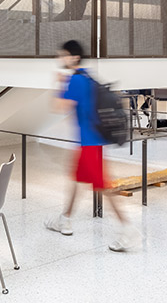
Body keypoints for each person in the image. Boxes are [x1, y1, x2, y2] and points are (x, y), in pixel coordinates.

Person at [45, 40, 139, 252]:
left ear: (73, 57)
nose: (60, 59)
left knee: (104, 186)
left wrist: (59, 83)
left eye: (63, 55)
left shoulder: (75, 81)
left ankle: (128, 230)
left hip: (90, 143)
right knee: (76, 179)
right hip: (88, 142)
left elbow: (58, 107)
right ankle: (65, 219)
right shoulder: (87, 76)